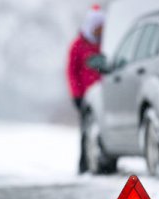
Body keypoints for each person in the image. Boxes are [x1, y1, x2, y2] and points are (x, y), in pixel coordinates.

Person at [66, 4, 105, 174]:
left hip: (103, 94)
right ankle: (84, 165)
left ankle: (103, 162)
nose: (100, 32)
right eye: (97, 28)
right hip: (85, 95)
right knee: (86, 130)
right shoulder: (78, 45)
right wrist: (77, 95)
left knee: (102, 128)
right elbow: (72, 72)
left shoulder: (104, 44)